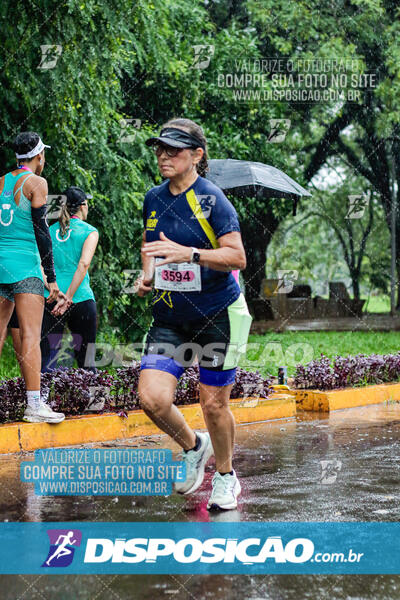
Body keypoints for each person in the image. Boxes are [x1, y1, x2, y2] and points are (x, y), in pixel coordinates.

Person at [137, 118, 252, 510]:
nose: (163, 156)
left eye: (173, 150)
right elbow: (149, 243)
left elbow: (237, 256)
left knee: (213, 403)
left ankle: (225, 477)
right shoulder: (154, 197)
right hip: (170, 315)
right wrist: (147, 275)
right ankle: (193, 446)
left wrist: (192, 254)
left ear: (197, 155)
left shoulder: (213, 199)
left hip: (217, 313)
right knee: (151, 398)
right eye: (160, 149)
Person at [0, 131, 71, 423]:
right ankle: (34, 405)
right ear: (39, 156)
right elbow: (43, 233)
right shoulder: (36, 183)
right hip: (25, 267)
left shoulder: (1, 181)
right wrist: (51, 278)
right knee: (30, 334)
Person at [40, 186, 99, 372]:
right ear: (83, 206)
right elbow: (83, 265)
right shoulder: (90, 231)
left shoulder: (49, 230)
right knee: (86, 360)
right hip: (80, 298)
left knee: (49, 359)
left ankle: (42, 401)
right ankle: (93, 401)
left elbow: (39, 265)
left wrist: (55, 293)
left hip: (51, 300)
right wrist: (69, 298)